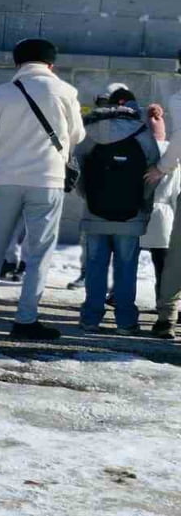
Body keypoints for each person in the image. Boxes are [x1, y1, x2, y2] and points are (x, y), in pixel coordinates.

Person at [0, 37, 84, 340]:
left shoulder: (0, 94)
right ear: (51, 63)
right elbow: (77, 135)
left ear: (17, 62)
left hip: (5, 179)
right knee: (39, 251)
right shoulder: (65, 92)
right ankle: (25, 318)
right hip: (47, 180)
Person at [74, 88, 157, 334]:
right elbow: (153, 174)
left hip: (95, 212)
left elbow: (76, 167)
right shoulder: (142, 132)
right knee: (126, 267)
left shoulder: (90, 131)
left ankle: (90, 318)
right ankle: (125, 320)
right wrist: (143, 203)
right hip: (131, 215)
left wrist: (88, 197)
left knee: (95, 265)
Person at [142, 103, 179, 304]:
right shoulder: (171, 156)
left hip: (136, 214)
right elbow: (176, 192)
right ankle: (163, 303)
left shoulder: (138, 150)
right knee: (162, 266)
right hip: (164, 215)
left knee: (126, 262)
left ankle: (120, 298)